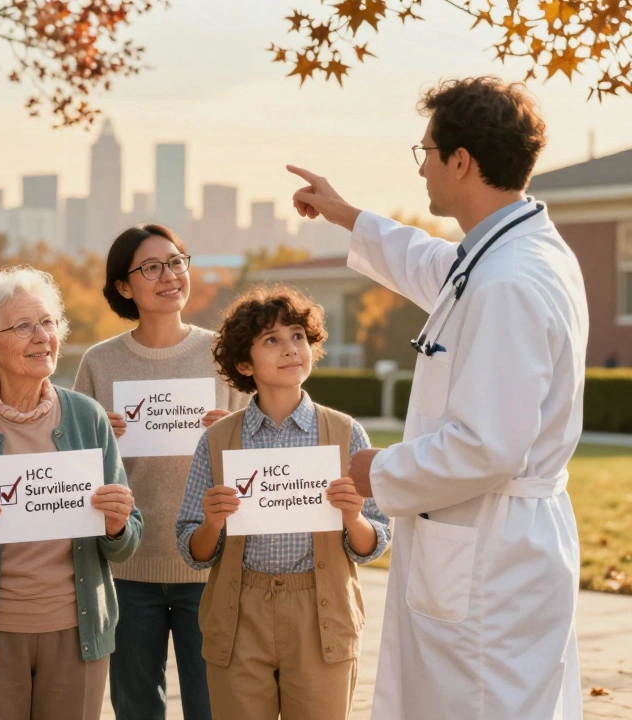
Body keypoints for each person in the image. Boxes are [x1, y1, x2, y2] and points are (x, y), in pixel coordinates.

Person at [288, 76, 587, 719]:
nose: (421, 165)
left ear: (461, 161)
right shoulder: (504, 252)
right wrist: (345, 213)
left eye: (425, 150)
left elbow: (489, 447)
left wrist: (377, 470)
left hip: (490, 555)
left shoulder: (507, 281)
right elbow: (431, 264)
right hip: (490, 547)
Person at [0, 266, 142, 720]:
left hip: (78, 634)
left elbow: (128, 539)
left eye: (48, 322)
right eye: (23, 326)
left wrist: (117, 524)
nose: (42, 337)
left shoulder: (88, 417)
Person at [175, 286, 390, 720]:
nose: (290, 348)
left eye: (298, 335)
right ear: (243, 363)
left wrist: (352, 517)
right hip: (239, 613)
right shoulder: (217, 441)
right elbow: (193, 550)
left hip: (321, 612)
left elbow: (374, 542)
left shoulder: (346, 433)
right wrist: (213, 523)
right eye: (271, 340)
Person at [73, 223, 248, 720]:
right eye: (152, 267)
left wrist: (233, 431)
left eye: (176, 262)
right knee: (134, 706)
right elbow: (75, 471)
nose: (169, 275)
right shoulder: (99, 362)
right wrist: (94, 436)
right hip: (126, 567)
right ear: (124, 287)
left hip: (210, 564)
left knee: (211, 704)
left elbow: (259, 450)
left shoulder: (224, 357)